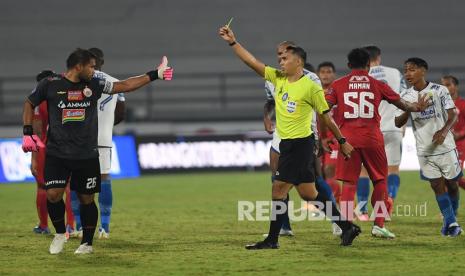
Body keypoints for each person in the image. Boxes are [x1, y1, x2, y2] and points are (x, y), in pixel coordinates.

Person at [219, 25, 361, 249]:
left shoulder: (311, 86)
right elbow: (251, 61)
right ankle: (347, 226)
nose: (281, 62)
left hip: (300, 145)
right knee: (309, 194)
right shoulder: (278, 79)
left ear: (298, 62)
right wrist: (232, 42)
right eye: (280, 58)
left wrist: (342, 142)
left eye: (285, 58)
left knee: (278, 189)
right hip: (287, 144)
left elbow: (326, 117)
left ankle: (272, 240)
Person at [22, 48, 173, 254]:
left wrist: (155, 74)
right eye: (91, 66)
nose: (95, 70)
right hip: (57, 153)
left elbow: (126, 85)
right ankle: (59, 233)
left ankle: (87, 243)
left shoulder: (94, 83)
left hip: (86, 154)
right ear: (78, 66)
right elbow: (29, 103)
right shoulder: (50, 84)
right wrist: (27, 132)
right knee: (53, 194)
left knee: (87, 199)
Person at [326, 48, 427, 239]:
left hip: (347, 139)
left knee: (348, 184)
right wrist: (416, 107)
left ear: (348, 65)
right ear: (368, 65)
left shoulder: (338, 85)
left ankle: (344, 225)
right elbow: (402, 104)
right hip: (372, 137)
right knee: (381, 180)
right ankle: (378, 225)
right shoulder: (376, 83)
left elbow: (324, 110)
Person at [264, 43, 341, 237]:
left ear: (294, 57)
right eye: (278, 55)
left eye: (284, 55)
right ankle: (284, 227)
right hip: (280, 136)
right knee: (277, 180)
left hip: (304, 136)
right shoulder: (272, 77)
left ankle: (338, 222)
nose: (280, 58)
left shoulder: (310, 78)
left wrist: (318, 138)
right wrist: (267, 118)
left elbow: (320, 110)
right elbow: (270, 101)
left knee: (314, 181)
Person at [395, 58, 461, 236]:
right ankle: (451, 222)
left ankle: (451, 217)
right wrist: (411, 108)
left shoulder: (439, 90)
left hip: (445, 146)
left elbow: (453, 114)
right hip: (424, 149)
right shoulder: (405, 96)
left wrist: (444, 130)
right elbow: (397, 121)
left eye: (412, 69)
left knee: (452, 184)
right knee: (436, 185)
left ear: (423, 71)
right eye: (406, 70)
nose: (408, 73)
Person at [70, 48, 126, 239]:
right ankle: (105, 228)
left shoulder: (81, 81)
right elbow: (120, 114)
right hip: (103, 138)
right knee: (104, 179)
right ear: (103, 61)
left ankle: (78, 226)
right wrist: (107, 124)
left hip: (81, 138)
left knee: (76, 182)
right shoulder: (115, 82)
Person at [355, 45, 407, 220]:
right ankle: (386, 206)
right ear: (379, 57)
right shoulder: (395, 73)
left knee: (363, 171)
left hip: (369, 130)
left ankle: (362, 211)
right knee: (392, 170)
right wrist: (404, 126)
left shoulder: (361, 76)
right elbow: (404, 99)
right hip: (393, 128)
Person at [31, 70, 75, 236]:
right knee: (70, 187)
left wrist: (34, 159)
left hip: (46, 148)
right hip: (70, 146)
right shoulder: (68, 96)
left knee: (43, 188)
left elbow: (36, 132)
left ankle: (43, 226)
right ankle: (70, 225)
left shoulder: (37, 103)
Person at [316, 62, 340, 203]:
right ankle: (323, 204)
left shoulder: (338, 91)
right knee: (318, 172)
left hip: (334, 139)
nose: (325, 75)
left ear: (334, 74)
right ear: (318, 75)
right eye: (323, 72)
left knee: (330, 170)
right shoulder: (315, 91)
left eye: (328, 71)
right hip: (317, 138)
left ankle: (338, 204)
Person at [441, 75, 465, 190]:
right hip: (444, 145)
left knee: (456, 178)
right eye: (443, 85)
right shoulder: (440, 105)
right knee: (444, 179)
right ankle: (449, 208)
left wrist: (459, 135)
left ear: (455, 87)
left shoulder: (463, 104)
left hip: (459, 144)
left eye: (448, 85)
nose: (445, 88)